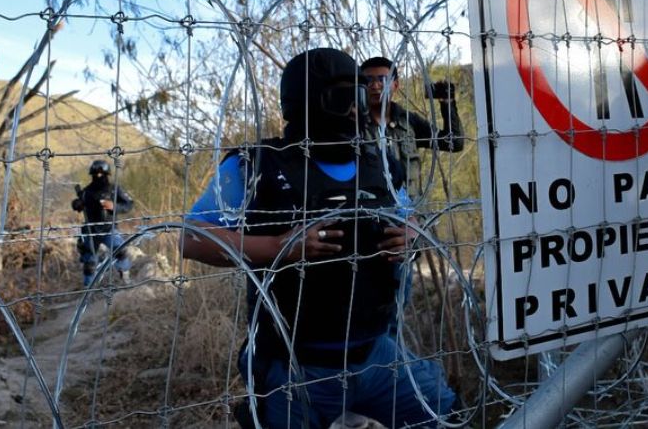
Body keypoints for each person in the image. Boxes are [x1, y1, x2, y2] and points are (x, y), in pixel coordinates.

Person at [181, 48, 456, 429]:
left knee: (446, 416)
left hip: (376, 354)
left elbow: (408, 215)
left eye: (360, 97)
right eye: (344, 97)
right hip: (293, 367)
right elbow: (191, 238)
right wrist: (278, 248)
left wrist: (410, 235)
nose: (355, 110)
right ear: (308, 99)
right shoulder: (258, 165)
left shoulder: (377, 160)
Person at [359, 56, 465, 201]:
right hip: (372, 212)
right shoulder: (354, 124)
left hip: (411, 212)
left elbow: (454, 143)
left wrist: (447, 103)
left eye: (383, 79)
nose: (376, 86)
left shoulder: (408, 121)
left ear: (395, 85)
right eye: (368, 80)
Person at [71, 159, 135, 286]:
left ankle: (126, 280)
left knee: (120, 252)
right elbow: (77, 203)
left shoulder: (114, 189)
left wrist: (114, 206)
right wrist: (77, 204)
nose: (98, 177)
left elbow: (129, 204)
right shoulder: (86, 192)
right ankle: (88, 289)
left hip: (109, 228)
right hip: (91, 230)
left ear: (106, 175)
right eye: (95, 174)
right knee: (89, 261)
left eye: (101, 174)